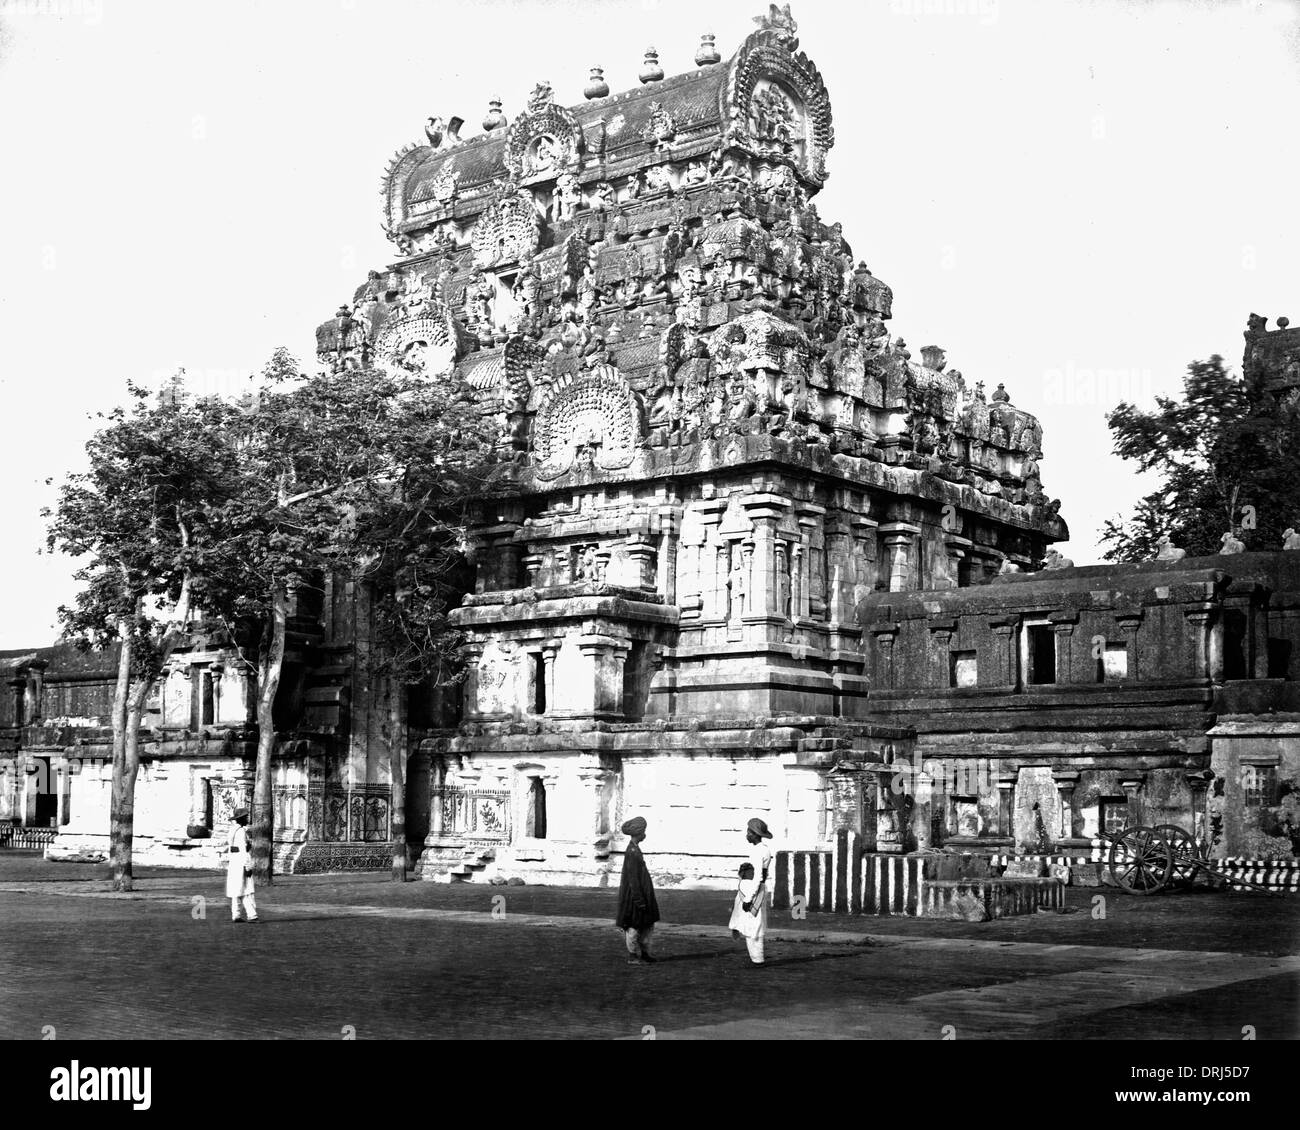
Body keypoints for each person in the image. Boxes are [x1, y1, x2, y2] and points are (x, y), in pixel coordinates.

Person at [615, 816, 658, 964]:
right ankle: (633, 956)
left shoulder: (635, 849)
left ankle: (645, 953)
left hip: (643, 894)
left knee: (646, 924)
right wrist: (639, 900)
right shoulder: (632, 852)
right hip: (636, 896)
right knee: (634, 925)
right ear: (639, 833)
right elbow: (633, 879)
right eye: (643, 831)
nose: (644, 834)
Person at [736, 817, 774, 966]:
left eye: (748, 832)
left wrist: (748, 899)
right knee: (753, 924)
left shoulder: (759, 851)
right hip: (755, 890)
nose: (747, 835)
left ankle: (758, 959)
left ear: (755, 834)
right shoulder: (760, 850)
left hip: (755, 891)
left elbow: (757, 877)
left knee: (754, 925)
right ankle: (756, 958)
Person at [225, 807, 259, 924]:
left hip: (233, 862)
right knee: (246, 888)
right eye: (246, 817)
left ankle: (236, 914)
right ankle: (252, 914)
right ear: (242, 819)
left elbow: (232, 847)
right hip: (241, 861)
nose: (247, 818)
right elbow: (243, 850)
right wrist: (248, 866)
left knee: (236, 888)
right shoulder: (241, 832)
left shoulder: (232, 830)